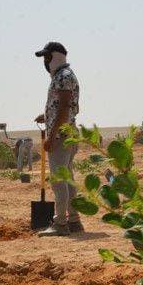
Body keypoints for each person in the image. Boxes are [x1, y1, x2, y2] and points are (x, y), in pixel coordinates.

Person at [34, 40, 83, 235]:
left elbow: (64, 108)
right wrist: (46, 117)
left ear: (54, 56)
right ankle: (74, 221)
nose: (45, 61)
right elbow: (66, 107)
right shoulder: (65, 76)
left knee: (59, 181)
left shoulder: (63, 77)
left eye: (47, 56)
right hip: (68, 133)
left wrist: (51, 136)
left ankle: (60, 223)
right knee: (68, 179)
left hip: (61, 136)